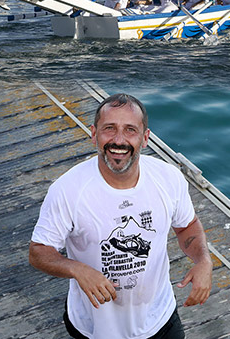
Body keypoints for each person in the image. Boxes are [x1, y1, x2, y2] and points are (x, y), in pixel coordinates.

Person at [29, 92, 212, 339]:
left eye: (130, 130)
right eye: (109, 129)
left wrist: (203, 261)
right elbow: (39, 251)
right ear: (94, 134)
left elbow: (187, 226)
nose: (118, 140)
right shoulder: (67, 190)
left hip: (160, 320)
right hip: (93, 328)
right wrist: (78, 269)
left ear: (145, 138)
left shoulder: (168, 178)